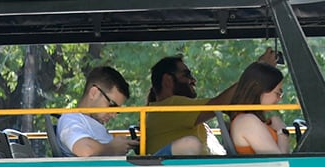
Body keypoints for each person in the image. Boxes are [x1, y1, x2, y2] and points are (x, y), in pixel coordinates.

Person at [143, 49, 279, 156]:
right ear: (167, 80)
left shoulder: (169, 113)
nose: (193, 80)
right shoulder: (169, 107)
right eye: (186, 75)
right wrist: (258, 73)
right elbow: (219, 104)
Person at [56, 66, 136, 157]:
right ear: (94, 93)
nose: (114, 115)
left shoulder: (91, 123)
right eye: (112, 105)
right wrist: (113, 148)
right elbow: (86, 150)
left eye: (117, 111)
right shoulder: (70, 119)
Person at [226, 61, 291, 155]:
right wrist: (282, 131)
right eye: (277, 93)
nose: (279, 99)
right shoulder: (247, 121)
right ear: (259, 90)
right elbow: (278, 163)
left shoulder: (250, 120)